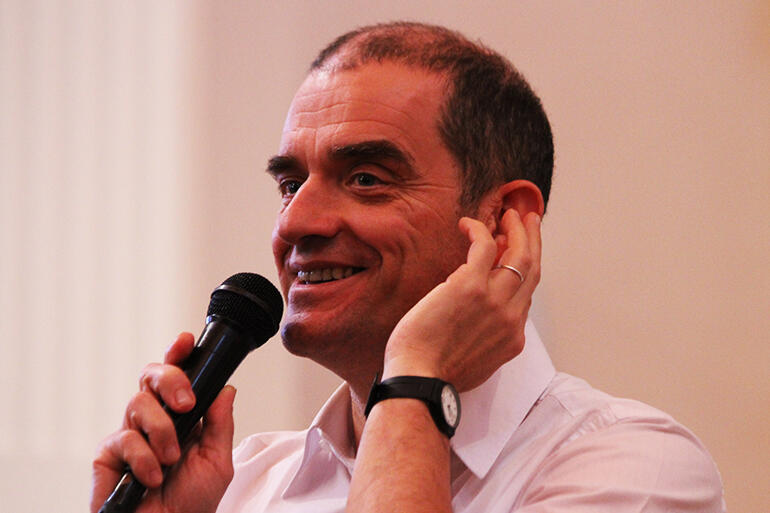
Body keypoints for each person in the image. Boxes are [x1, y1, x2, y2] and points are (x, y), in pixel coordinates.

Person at [91, 22, 725, 513]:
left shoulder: (633, 466)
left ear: (503, 224)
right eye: (289, 184)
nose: (295, 224)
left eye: (365, 178)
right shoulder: (243, 486)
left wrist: (416, 381)